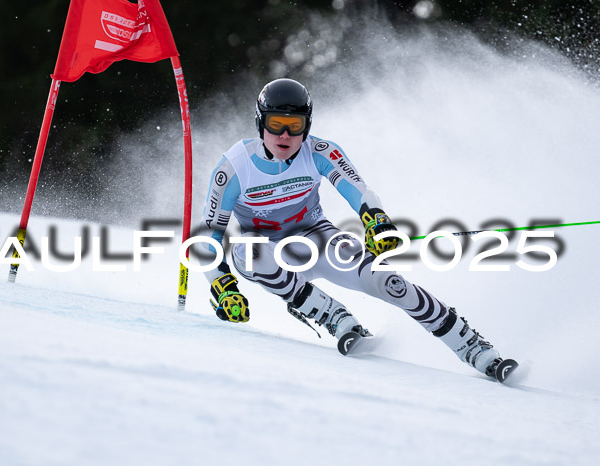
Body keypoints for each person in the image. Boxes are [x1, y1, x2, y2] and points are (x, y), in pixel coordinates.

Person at [196, 78, 516, 381]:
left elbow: (359, 192)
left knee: (388, 282)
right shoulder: (235, 167)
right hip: (263, 250)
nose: (285, 136)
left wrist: (374, 219)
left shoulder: (319, 152)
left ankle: (472, 346)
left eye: (295, 127)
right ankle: (331, 315)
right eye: (275, 124)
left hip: (316, 239)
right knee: (252, 252)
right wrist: (221, 285)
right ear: (260, 123)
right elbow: (209, 237)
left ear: (307, 126)